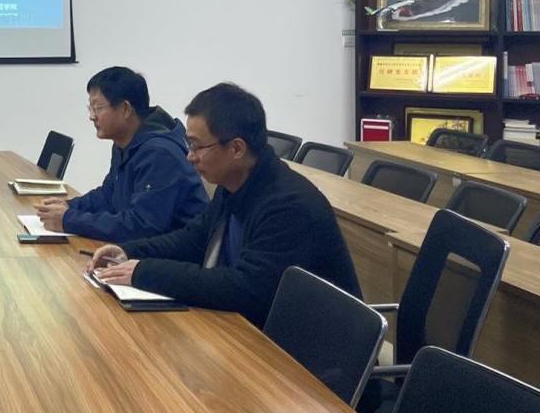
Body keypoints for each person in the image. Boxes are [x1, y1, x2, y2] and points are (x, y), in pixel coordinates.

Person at [88, 82, 361, 327]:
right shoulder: (235, 183)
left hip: (306, 351)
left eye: (196, 146)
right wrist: (128, 251)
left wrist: (145, 272)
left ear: (237, 149)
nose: (189, 156)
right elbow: (192, 239)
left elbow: (245, 288)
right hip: (256, 328)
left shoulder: (288, 205)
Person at [35, 66, 207, 241]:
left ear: (125, 109)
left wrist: (68, 219)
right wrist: (69, 206)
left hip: (172, 252)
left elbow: (142, 226)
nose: (92, 116)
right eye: (90, 108)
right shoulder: (125, 142)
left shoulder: (159, 153)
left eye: (97, 108)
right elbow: (108, 195)